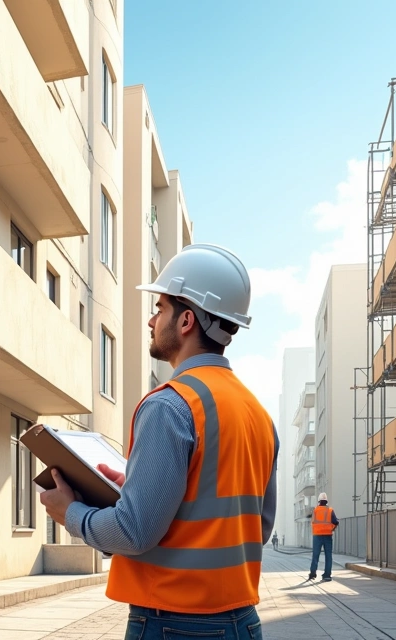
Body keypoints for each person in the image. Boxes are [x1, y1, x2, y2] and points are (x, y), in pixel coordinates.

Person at [39, 244, 278, 640]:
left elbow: (134, 532)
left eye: (160, 308)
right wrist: (135, 488)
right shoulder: (258, 414)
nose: (152, 320)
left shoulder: (170, 405)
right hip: (243, 624)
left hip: (175, 624)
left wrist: (72, 513)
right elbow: (256, 527)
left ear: (186, 320)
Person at [308, 492, 338, 582]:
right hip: (328, 535)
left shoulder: (315, 510)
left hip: (317, 536)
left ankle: (313, 573)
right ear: (326, 501)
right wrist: (332, 528)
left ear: (319, 501)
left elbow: (312, 522)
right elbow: (336, 522)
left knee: (315, 555)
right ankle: (327, 575)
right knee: (328, 556)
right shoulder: (330, 510)